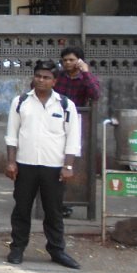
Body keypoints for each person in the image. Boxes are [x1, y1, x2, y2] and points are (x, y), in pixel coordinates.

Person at [5, 60, 81, 269]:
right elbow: (12, 134)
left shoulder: (65, 105)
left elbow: (73, 138)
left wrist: (68, 166)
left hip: (54, 167)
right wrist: (11, 162)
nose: (41, 80)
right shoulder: (20, 102)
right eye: (38, 76)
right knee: (21, 209)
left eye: (46, 77)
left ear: (54, 81)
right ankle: (17, 248)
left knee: (54, 211)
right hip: (25, 164)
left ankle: (57, 250)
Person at [53, 46, 99, 218]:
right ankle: (56, 201)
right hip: (56, 123)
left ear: (79, 61)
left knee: (74, 163)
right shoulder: (58, 77)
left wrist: (85, 72)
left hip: (78, 124)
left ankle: (70, 201)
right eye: (65, 60)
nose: (68, 63)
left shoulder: (85, 78)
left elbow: (95, 94)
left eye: (71, 60)